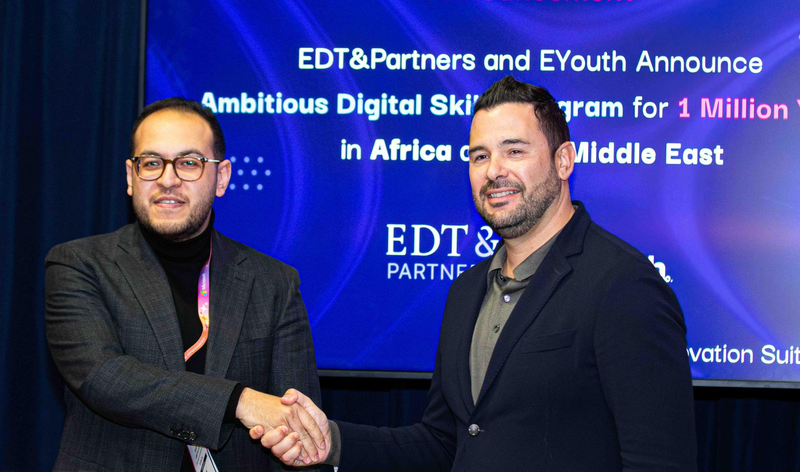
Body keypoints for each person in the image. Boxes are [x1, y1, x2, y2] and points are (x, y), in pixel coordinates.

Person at [253, 76, 697, 471]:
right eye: (479, 156)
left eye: (514, 151)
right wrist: (330, 442)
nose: (494, 171)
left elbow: (660, 462)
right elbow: (442, 444)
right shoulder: (467, 291)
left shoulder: (624, 286)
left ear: (564, 161)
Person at [45, 98, 326, 471]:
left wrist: (294, 442)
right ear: (130, 177)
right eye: (151, 163)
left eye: (189, 163)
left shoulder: (274, 283)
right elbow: (103, 377)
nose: (167, 179)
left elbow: (296, 423)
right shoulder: (79, 264)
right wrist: (240, 401)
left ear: (221, 177)